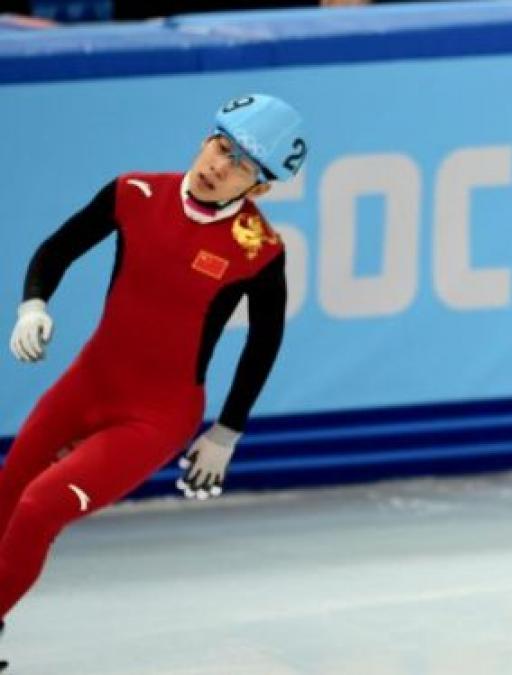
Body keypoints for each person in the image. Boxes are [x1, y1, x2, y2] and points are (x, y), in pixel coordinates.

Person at [0, 94, 305, 670]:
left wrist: (227, 431)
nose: (220, 165)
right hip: (85, 384)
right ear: (205, 137)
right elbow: (57, 248)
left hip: (155, 417)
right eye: (221, 146)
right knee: (6, 498)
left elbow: (264, 341)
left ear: (259, 187)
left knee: (40, 507)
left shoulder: (259, 250)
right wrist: (33, 305)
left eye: (242, 163)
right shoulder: (134, 193)